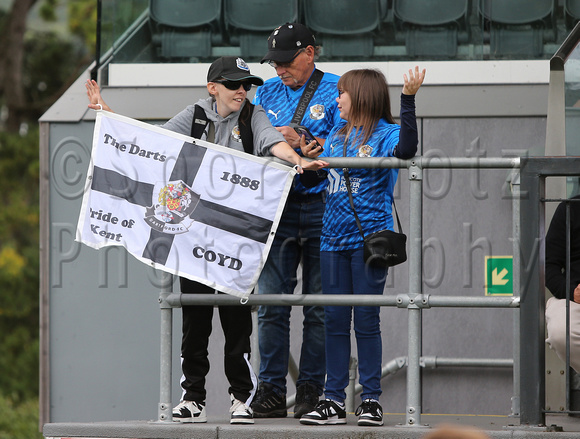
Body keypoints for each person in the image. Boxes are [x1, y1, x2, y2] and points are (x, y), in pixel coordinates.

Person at [85, 56, 327, 424]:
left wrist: (297, 161)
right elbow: (153, 144)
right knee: (195, 317)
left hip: (235, 238)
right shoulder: (196, 114)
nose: (242, 91)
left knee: (236, 322)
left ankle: (241, 397)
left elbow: (272, 143)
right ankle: (193, 396)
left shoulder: (253, 117)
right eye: (233, 85)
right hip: (192, 235)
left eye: (246, 85)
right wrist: (107, 112)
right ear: (212, 87)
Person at [298, 66, 425, 426]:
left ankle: (370, 399)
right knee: (334, 321)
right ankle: (333, 400)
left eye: (343, 93)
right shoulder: (336, 135)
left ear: (362, 96)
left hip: (369, 241)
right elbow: (326, 178)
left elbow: (407, 149)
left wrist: (408, 100)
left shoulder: (386, 133)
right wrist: (308, 162)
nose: (337, 98)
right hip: (330, 240)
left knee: (366, 321)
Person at [250, 22, 344, 419]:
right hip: (278, 207)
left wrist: (302, 137)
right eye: (274, 62)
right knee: (271, 302)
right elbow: (246, 140)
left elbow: (351, 139)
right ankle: (269, 389)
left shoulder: (340, 87)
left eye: (286, 61)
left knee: (319, 306)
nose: (280, 69)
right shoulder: (264, 92)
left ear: (310, 52)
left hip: (323, 204)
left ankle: (311, 390)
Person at [545, 195, 580, 402]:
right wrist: (571, 290)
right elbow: (548, 266)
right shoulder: (570, 208)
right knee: (560, 330)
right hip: (576, 300)